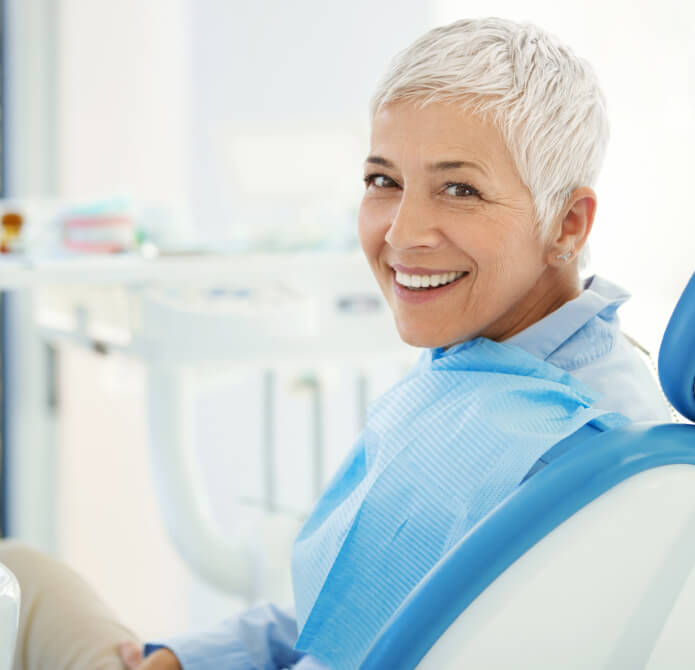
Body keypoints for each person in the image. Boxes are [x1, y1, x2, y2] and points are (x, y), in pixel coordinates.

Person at [0, 16, 672, 670]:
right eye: (383, 181)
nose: (402, 232)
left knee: (16, 581)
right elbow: (364, 612)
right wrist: (190, 656)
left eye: (459, 189)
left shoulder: (565, 443)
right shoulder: (502, 370)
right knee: (20, 573)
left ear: (567, 223)